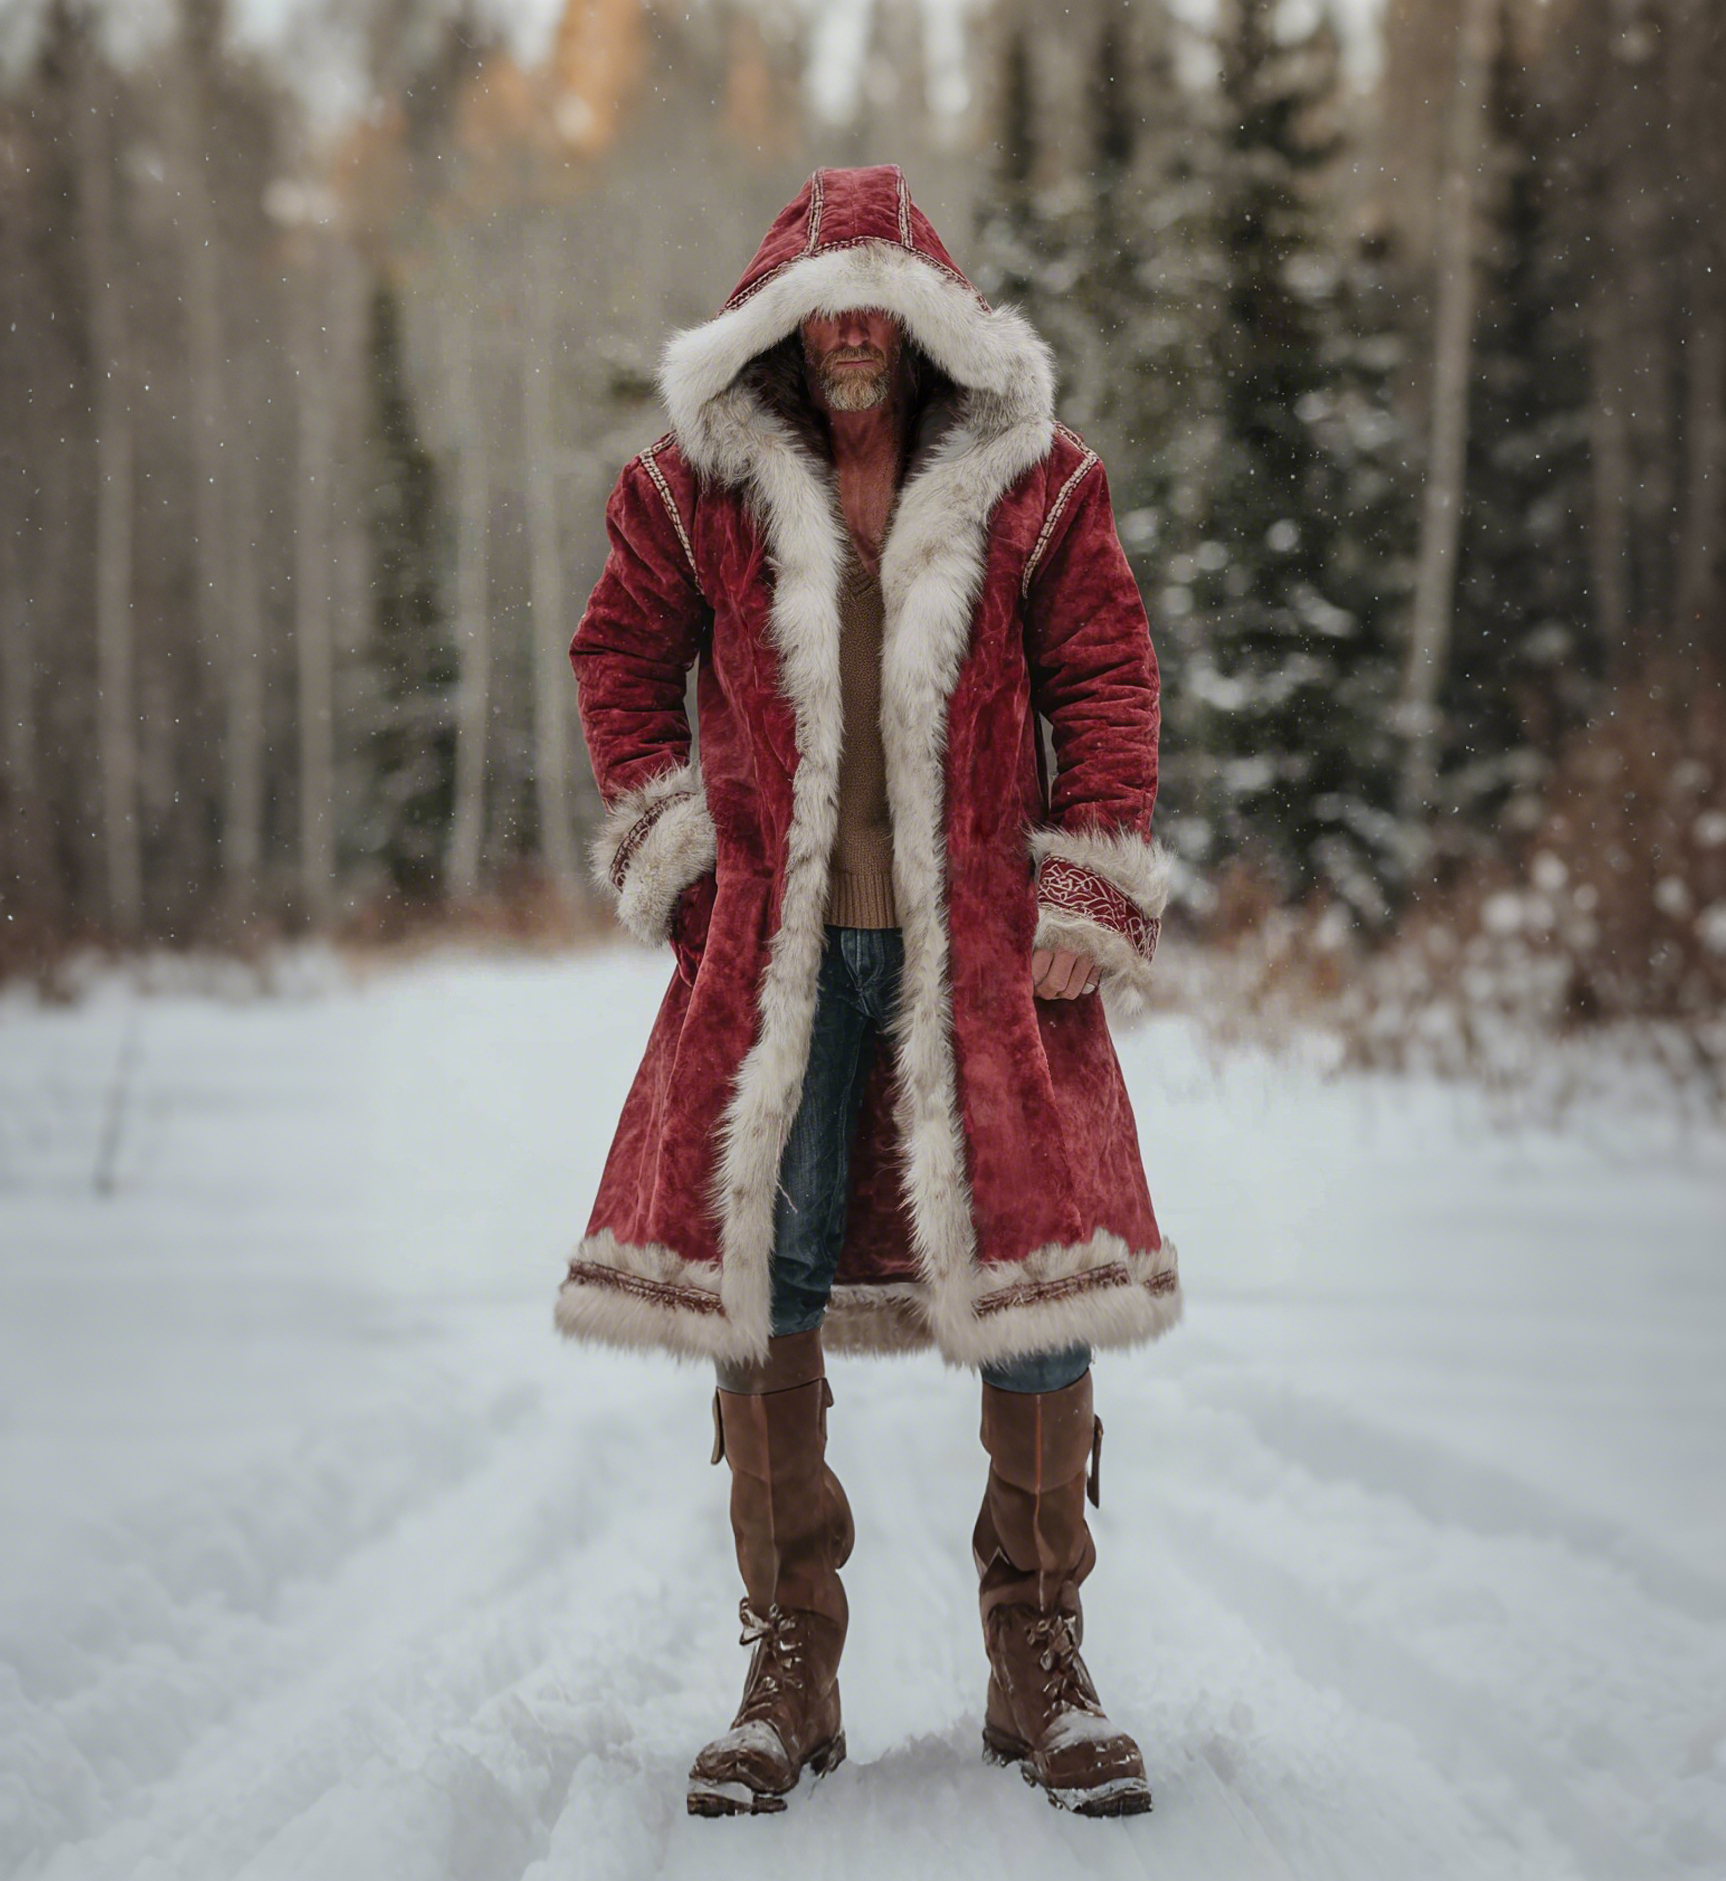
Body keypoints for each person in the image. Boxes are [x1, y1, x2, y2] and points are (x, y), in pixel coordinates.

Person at [560, 164, 1182, 1820]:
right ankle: (790, 1663)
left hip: (986, 950)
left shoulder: (1034, 485)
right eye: (819, 309)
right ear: (778, 321)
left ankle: (1036, 1654)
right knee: (763, 1272)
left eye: (875, 307)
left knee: (1039, 1286)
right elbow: (617, 659)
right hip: (773, 951)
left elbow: (1104, 671)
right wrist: (673, 848)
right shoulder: (690, 489)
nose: (849, 333)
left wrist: (1085, 876)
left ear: (922, 322)